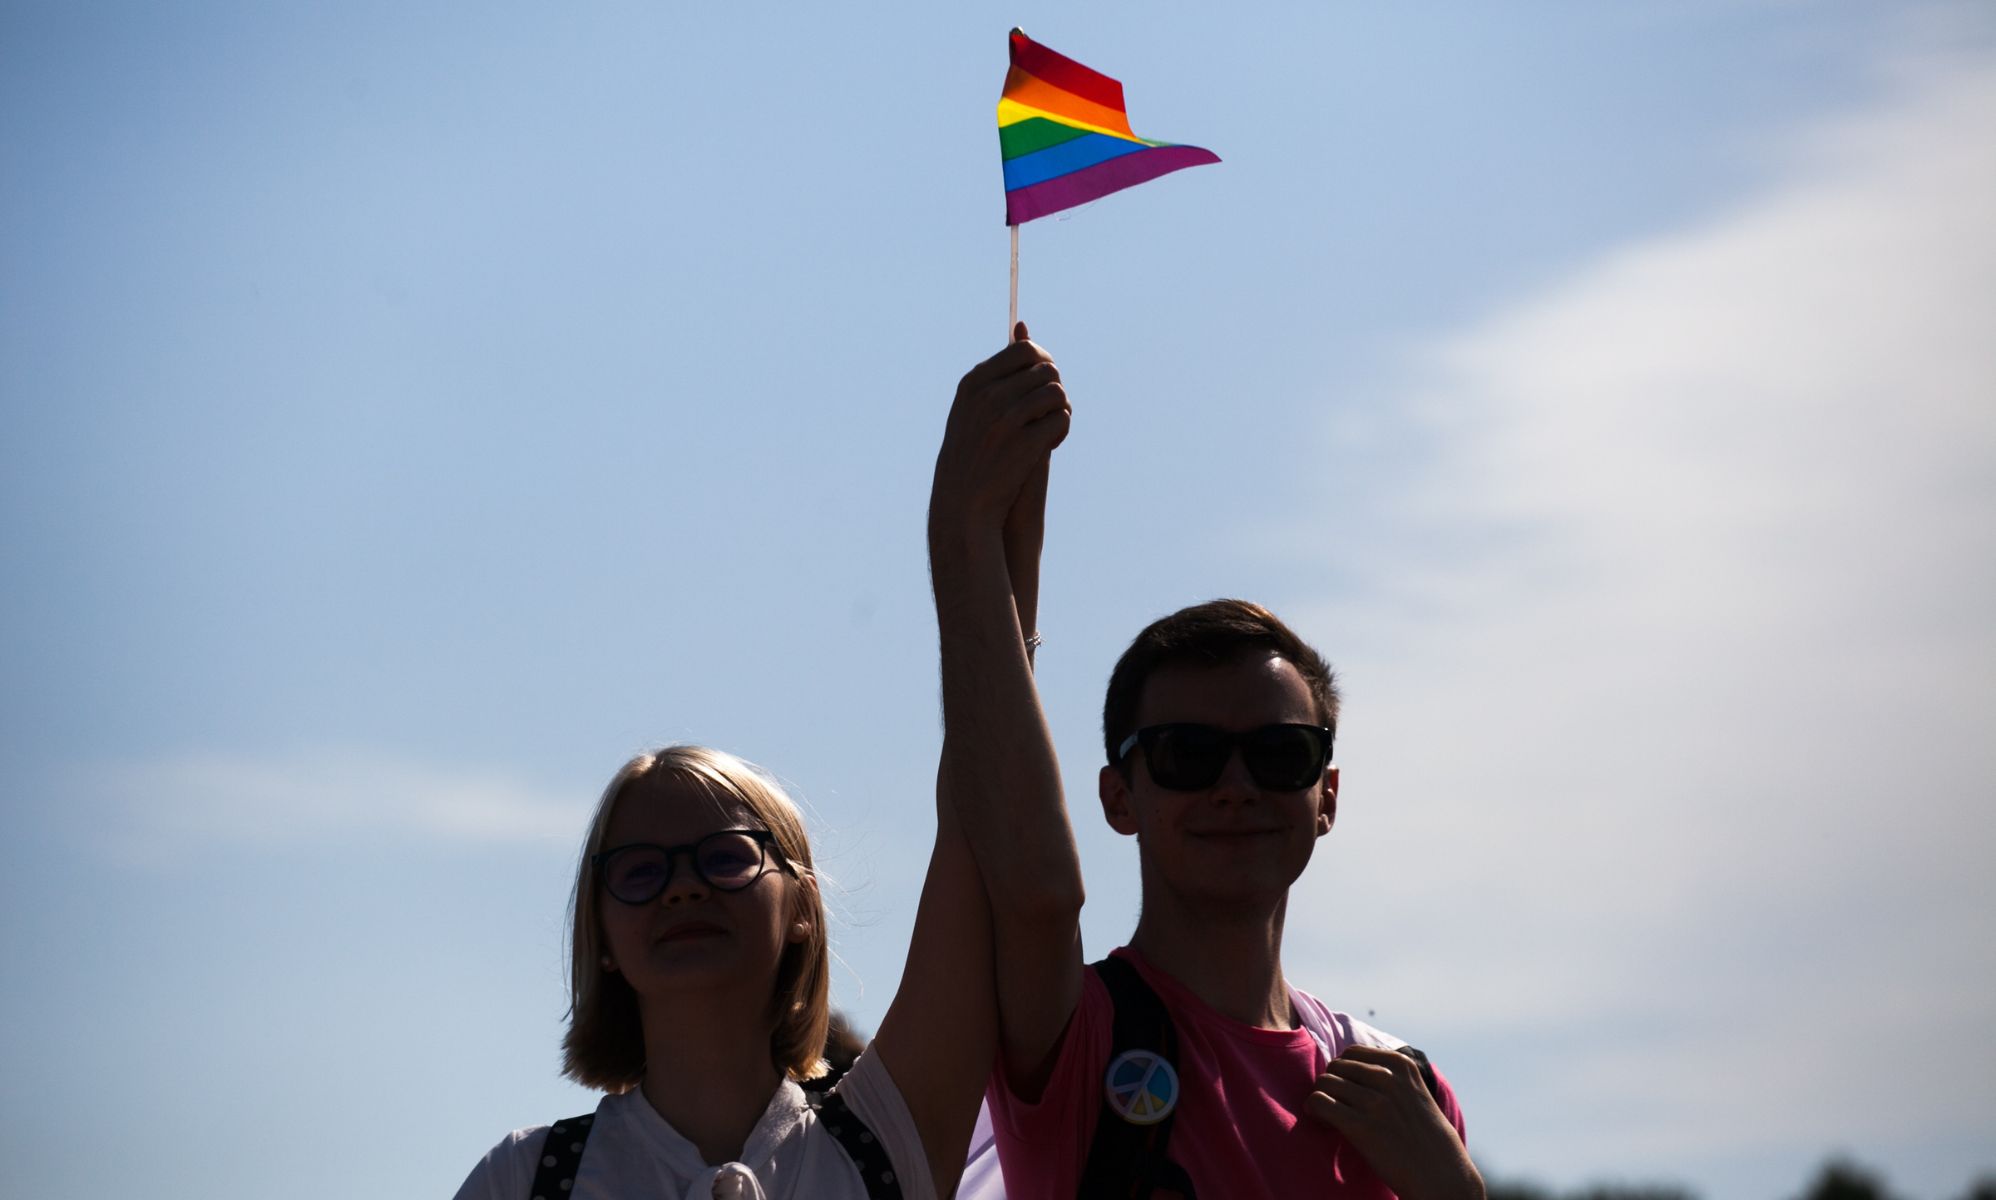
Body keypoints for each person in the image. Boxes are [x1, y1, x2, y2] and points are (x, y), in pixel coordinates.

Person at [929, 326, 1485, 1199]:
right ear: (1118, 796)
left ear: (1327, 794)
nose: (1236, 787)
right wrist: (973, 543)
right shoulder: (1079, 1035)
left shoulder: (1402, 1094)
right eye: (1187, 755)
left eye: (1278, 753)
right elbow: (1029, 885)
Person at [452, 744, 999, 1200]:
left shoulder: (883, 1143)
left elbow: (978, 826)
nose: (682, 887)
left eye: (725, 857)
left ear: (802, 909)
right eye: (640, 870)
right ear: (602, 933)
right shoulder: (524, 1180)